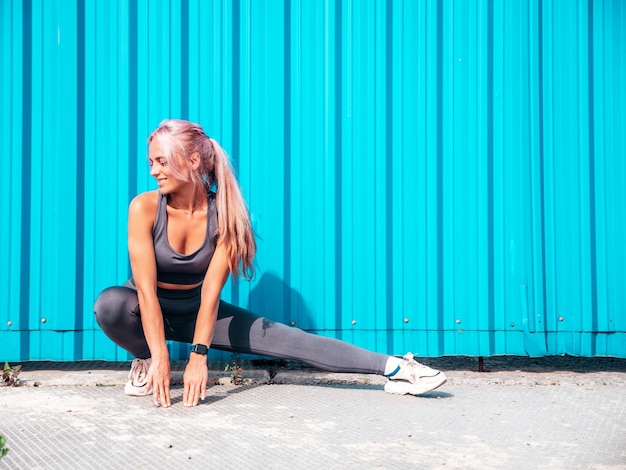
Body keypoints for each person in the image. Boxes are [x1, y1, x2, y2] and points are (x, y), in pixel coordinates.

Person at [94, 119, 447, 408]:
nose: (154, 171)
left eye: (162, 161)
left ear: (193, 161)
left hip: (199, 308)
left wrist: (198, 356)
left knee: (291, 340)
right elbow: (146, 291)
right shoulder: (143, 208)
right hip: (142, 308)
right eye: (151, 162)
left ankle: (398, 368)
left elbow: (211, 295)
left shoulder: (226, 215)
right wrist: (160, 357)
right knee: (109, 305)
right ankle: (143, 359)